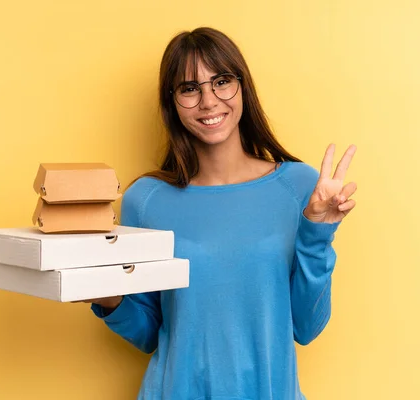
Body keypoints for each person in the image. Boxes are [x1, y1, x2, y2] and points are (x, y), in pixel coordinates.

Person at [85, 27, 357, 400]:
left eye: (222, 81)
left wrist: (317, 234)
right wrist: (108, 299)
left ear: (243, 87)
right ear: (173, 101)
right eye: (189, 88)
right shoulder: (145, 200)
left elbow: (306, 327)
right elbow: (150, 332)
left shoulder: (300, 186)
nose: (209, 101)